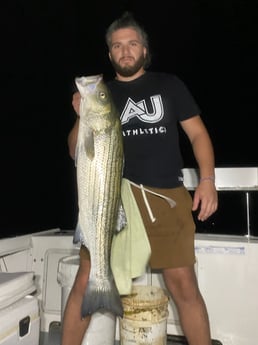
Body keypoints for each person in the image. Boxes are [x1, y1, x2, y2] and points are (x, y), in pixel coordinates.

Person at [62, 11, 218, 345]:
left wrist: (207, 180)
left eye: (132, 43)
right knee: (86, 281)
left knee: (184, 285)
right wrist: (81, 116)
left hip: (165, 196)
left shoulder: (169, 85)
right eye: (117, 46)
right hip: (110, 199)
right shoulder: (101, 94)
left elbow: (198, 135)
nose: (125, 50)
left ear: (144, 50)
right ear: (110, 54)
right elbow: (76, 151)